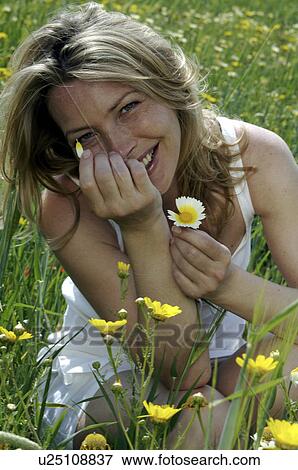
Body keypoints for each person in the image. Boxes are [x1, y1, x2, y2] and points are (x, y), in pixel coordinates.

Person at [1, 1, 298, 450]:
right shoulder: (65, 203)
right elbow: (180, 370)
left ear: (169, 84)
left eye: (128, 107)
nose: (119, 147)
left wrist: (226, 284)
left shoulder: (256, 157)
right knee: (207, 425)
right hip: (110, 379)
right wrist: (142, 228)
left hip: (228, 363)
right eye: (86, 137)